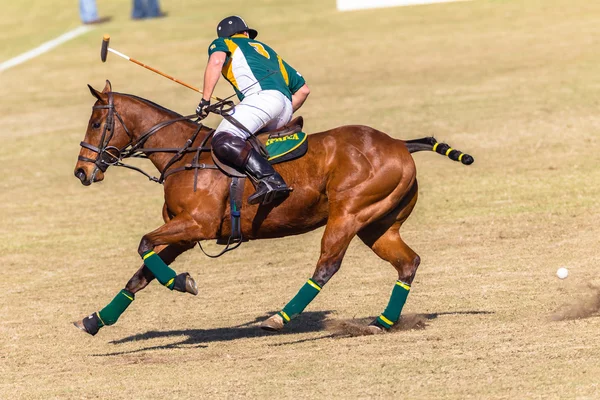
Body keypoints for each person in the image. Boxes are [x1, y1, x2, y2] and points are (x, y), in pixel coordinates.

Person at [196, 16, 310, 205]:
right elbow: (303, 90)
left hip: (263, 100)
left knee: (223, 138)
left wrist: (205, 100)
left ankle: (270, 180)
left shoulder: (224, 43)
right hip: (284, 106)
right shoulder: (269, 52)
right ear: (246, 33)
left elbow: (216, 62)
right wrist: (279, 110)